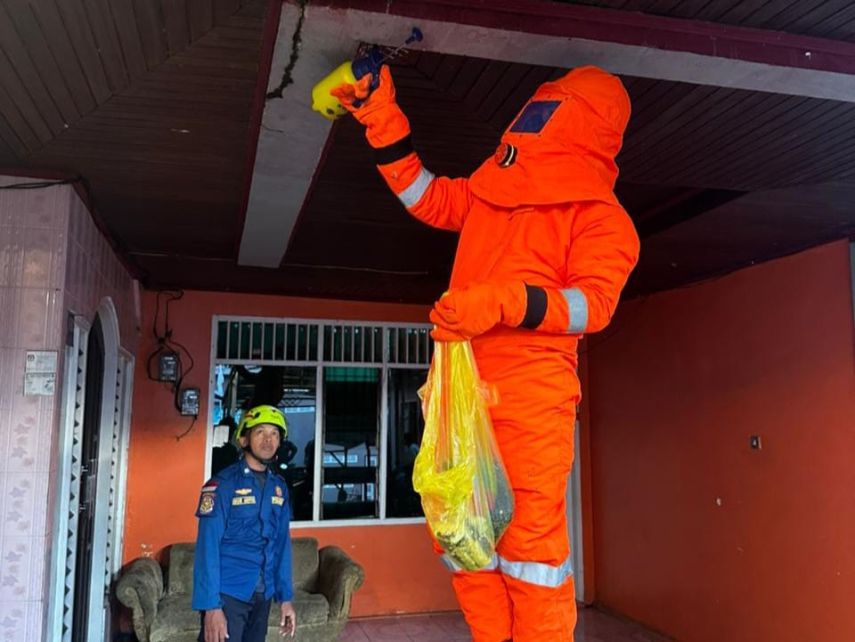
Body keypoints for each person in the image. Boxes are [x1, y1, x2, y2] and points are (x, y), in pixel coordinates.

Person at [332, 64, 639, 641]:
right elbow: (423, 194)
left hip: (532, 396)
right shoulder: (489, 197)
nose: (530, 127)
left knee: (529, 548)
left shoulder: (601, 218)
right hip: (461, 391)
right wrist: (379, 114)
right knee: (459, 532)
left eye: (546, 114)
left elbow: (592, 306)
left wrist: (501, 302)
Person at [192, 405, 297, 642]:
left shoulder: (279, 487)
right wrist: (211, 607)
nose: (268, 440)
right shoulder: (222, 485)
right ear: (244, 438)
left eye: (274, 434)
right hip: (228, 594)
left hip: (263, 594)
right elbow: (207, 548)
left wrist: (285, 598)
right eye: (260, 432)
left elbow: (281, 546)